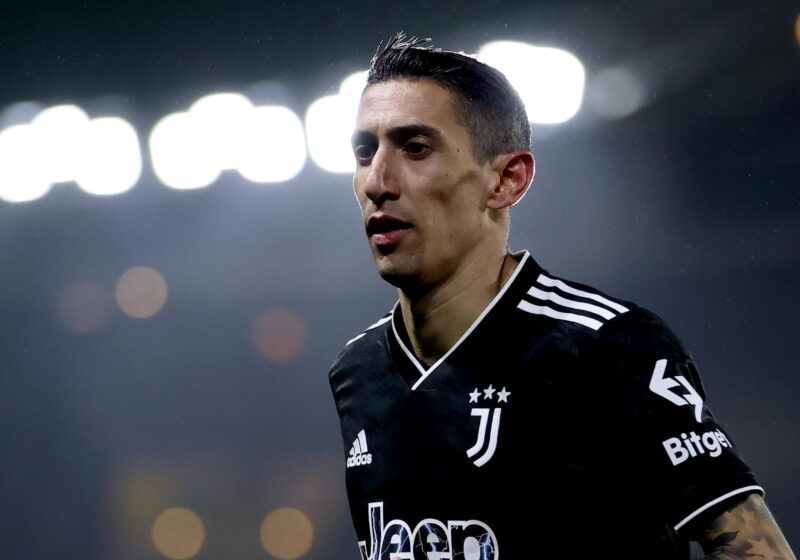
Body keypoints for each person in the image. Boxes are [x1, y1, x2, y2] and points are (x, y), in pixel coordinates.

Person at [328, 33, 795, 560]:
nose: (377, 181)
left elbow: (758, 551)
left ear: (506, 181)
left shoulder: (606, 346)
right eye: (364, 152)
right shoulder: (357, 371)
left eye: (415, 148)